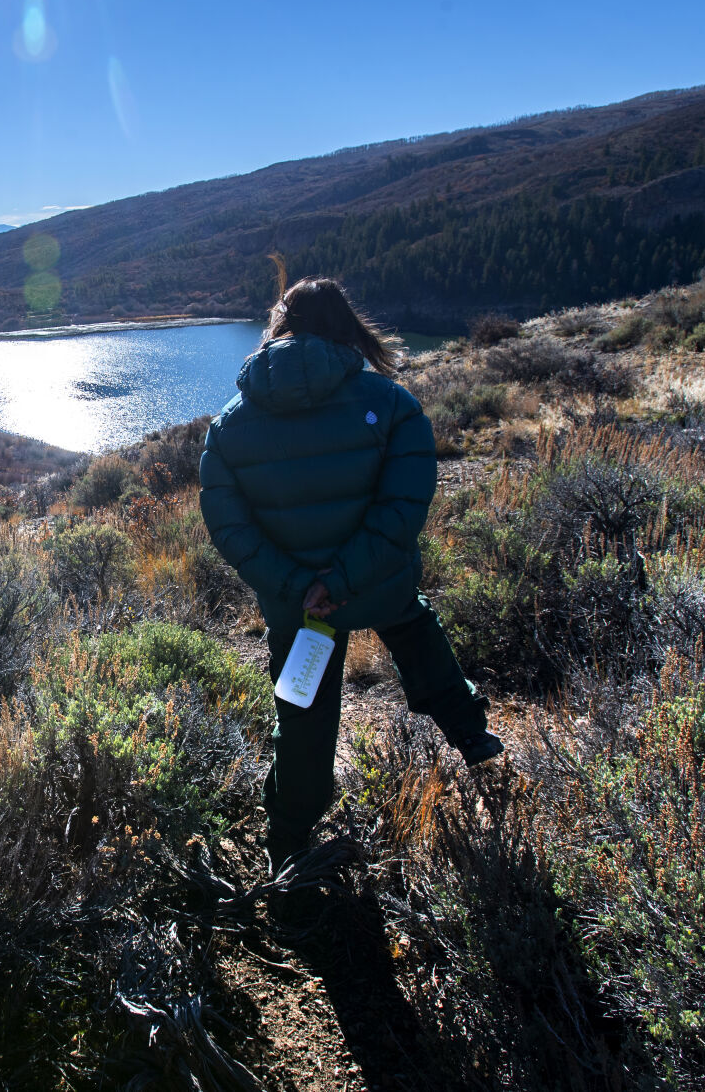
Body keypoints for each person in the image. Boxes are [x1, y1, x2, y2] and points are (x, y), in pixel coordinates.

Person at [199, 277, 504, 872]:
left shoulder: (229, 427)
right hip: (380, 586)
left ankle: (287, 846)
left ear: (279, 326)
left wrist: (300, 587)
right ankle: (483, 753)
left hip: (300, 612)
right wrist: (344, 578)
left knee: (304, 726)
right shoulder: (391, 404)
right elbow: (402, 512)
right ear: (347, 326)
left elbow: (229, 528)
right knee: (421, 642)